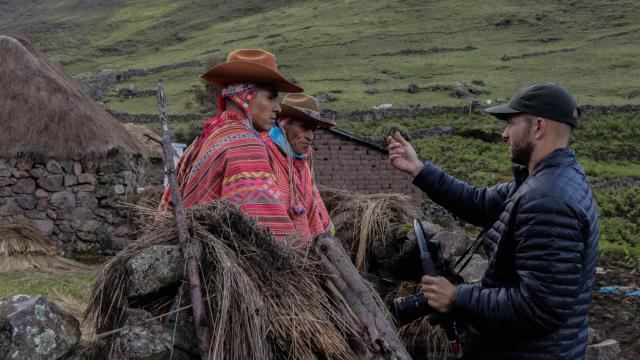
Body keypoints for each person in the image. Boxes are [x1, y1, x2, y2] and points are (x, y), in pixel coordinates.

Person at [388, 82, 599, 359]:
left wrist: (456, 298)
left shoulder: (549, 200)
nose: (504, 134)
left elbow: (539, 308)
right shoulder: (541, 183)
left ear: (538, 126)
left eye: (511, 123)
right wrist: (418, 169)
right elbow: (477, 203)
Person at [159, 49, 303, 240]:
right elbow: (265, 234)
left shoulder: (206, 137)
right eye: (270, 97)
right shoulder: (245, 145)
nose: (278, 108)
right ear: (244, 96)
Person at [262, 94, 335, 246]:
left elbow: (313, 208)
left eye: (313, 130)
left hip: (303, 252)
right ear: (284, 124)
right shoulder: (264, 154)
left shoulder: (303, 165)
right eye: (304, 127)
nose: (310, 137)